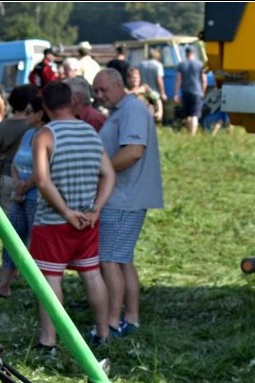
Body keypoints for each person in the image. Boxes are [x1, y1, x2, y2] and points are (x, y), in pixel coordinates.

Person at [29, 81, 115, 351]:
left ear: (45, 106)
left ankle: (48, 340)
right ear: (72, 102)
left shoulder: (44, 135)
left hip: (53, 222)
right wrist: (96, 209)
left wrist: (66, 211)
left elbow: (42, 182)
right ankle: (103, 333)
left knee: (50, 280)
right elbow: (109, 174)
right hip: (87, 221)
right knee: (91, 274)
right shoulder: (90, 131)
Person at [92, 67, 163, 337]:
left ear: (119, 85)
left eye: (103, 90)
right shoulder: (124, 110)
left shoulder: (132, 110)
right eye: (96, 91)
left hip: (124, 197)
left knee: (109, 259)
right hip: (125, 196)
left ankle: (112, 323)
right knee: (122, 260)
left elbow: (133, 152)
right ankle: (131, 318)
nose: (99, 96)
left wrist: (102, 172)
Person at [0, 91, 43, 299]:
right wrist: (18, 184)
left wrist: (24, 187)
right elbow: (15, 162)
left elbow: (43, 169)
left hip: (35, 197)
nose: (25, 115)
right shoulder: (28, 134)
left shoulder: (46, 135)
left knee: (36, 242)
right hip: (19, 194)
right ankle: (4, 284)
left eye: (29, 111)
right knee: (12, 237)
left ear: (40, 114)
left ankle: (39, 289)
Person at [174, 46, 207, 135]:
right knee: (195, 115)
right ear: (194, 53)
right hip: (197, 92)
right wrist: (203, 92)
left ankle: (189, 133)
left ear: (186, 54)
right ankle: (192, 135)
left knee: (188, 115)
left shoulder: (181, 65)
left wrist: (176, 93)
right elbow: (204, 80)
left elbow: (178, 80)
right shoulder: (200, 64)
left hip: (185, 92)